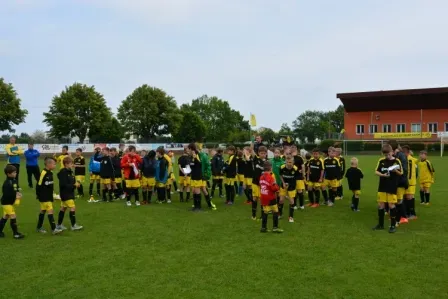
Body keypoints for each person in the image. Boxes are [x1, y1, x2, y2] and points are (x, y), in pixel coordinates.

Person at [373, 144, 403, 233]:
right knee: (381, 205)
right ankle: (380, 224)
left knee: (391, 205)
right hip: (382, 186)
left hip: (392, 186)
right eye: (385, 155)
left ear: (392, 152)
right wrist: (382, 175)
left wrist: (395, 171)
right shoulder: (381, 160)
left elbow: (401, 173)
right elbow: (376, 171)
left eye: (389, 154)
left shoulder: (397, 161)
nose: (387, 156)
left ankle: (393, 225)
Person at [36, 157, 63, 235]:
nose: (55, 166)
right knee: (50, 211)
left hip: (48, 196)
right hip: (44, 196)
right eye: (54, 164)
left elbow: (49, 186)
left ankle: (39, 227)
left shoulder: (50, 173)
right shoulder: (43, 173)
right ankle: (54, 229)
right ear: (49, 164)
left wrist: (53, 195)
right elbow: (39, 184)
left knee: (43, 211)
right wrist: (39, 195)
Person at [56, 157, 83, 231]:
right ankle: (73, 225)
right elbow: (63, 184)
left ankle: (59, 225)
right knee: (72, 207)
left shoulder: (70, 171)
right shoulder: (63, 172)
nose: (72, 165)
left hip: (69, 192)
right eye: (71, 163)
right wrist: (74, 185)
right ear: (66, 164)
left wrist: (76, 183)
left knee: (63, 208)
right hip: (65, 193)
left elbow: (70, 182)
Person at [0, 165, 25, 239]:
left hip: (10, 203)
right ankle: (15, 234)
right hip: (6, 203)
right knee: (13, 216)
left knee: (5, 217)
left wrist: (18, 193)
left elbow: (16, 189)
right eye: (14, 172)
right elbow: (7, 194)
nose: (15, 173)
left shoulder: (14, 181)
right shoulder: (7, 183)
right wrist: (16, 196)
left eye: (16, 172)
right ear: (8, 174)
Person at [259, 161, 283, 233]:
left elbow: (261, 185)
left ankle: (263, 228)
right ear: (271, 168)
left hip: (263, 196)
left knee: (265, 211)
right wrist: (277, 187)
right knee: (275, 211)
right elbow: (274, 188)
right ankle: (275, 228)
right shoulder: (271, 177)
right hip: (270, 197)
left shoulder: (261, 176)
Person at [251, 146, 269, 220]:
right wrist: (252, 143)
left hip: (263, 184)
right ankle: (254, 215)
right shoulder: (256, 159)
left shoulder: (267, 162)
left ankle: (262, 215)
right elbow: (251, 150)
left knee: (262, 199)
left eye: (264, 153)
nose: (263, 155)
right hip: (255, 182)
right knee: (255, 198)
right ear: (258, 153)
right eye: (261, 153)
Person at [279, 157, 298, 223]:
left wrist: (290, 184)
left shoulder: (295, 169)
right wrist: (283, 183)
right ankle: (280, 214)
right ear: (285, 162)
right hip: (283, 185)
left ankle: (291, 217)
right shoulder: (282, 167)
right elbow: (280, 175)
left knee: (291, 201)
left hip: (292, 186)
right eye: (287, 162)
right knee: (281, 200)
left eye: (290, 162)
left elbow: (296, 178)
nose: (289, 164)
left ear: (293, 162)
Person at [401, 145, 418, 219]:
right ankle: (406, 213)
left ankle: (412, 214)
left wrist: (408, 182)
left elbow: (410, 173)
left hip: (410, 183)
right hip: (406, 182)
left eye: (403, 152)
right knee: (405, 197)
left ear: (406, 152)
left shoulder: (410, 160)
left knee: (409, 197)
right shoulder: (406, 159)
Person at [187, 143, 204, 211]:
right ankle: (195, 206)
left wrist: (195, 158)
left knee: (197, 191)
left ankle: (198, 207)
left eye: (188, 149)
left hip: (197, 176)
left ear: (191, 149)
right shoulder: (191, 156)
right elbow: (192, 165)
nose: (187, 150)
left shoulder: (197, 155)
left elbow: (200, 164)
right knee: (194, 191)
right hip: (193, 176)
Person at [291, 145, 305, 210]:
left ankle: (301, 205)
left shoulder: (299, 158)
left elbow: (303, 166)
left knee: (299, 191)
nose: (293, 149)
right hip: (291, 176)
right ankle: (294, 205)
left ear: (296, 149)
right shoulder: (289, 157)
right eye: (292, 148)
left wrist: (303, 174)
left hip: (299, 176)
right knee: (293, 191)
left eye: (294, 148)